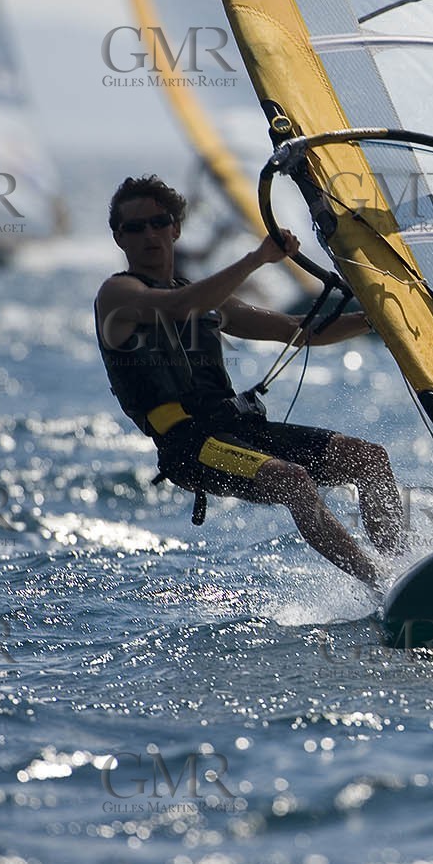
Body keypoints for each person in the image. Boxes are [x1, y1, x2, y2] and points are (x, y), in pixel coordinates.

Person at [94, 174, 400, 593]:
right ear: (118, 237)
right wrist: (258, 258)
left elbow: (301, 330)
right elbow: (179, 307)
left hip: (238, 429)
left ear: (175, 228)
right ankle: (382, 586)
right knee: (293, 481)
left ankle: (405, 567)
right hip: (190, 446)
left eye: (159, 222)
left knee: (368, 460)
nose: (150, 233)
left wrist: (379, 319)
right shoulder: (118, 295)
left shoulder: (205, 298)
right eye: (135, 227)